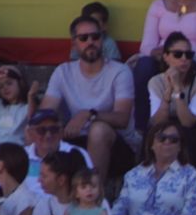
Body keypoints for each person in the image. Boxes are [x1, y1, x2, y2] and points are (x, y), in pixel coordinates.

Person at [44, 14, 138, 178]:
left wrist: (89, 114)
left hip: (117, 146)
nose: (90, 42)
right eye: (83, 38)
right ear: (74, 43)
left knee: (98, 130)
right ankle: (31, 194)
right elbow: (45, 112)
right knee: (38, 129)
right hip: (76, 140)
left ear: (102, 39)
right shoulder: (63, 71)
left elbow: (122, 119)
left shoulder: (120, 71)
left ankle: (95, 198)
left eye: (95, 36)